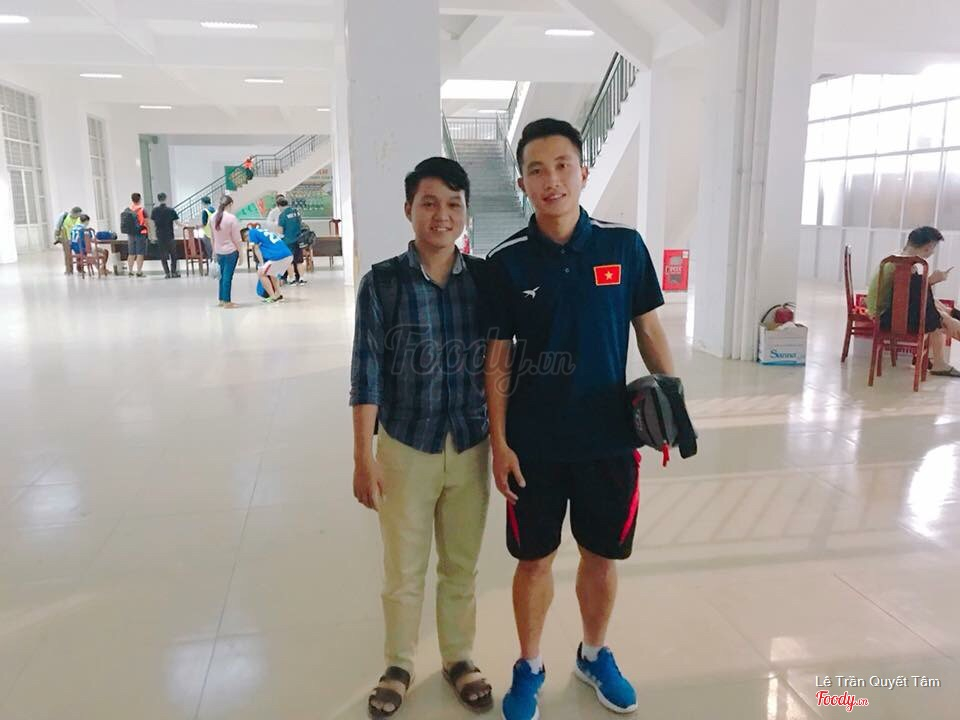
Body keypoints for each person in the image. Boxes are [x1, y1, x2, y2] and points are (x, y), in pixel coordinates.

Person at [482, 119, 675, 720]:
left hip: (608, 440)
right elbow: (497, 358)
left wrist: (672, 400)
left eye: (563, 165)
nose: (552, 180)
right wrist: (499, 442)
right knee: (533, 560)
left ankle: (594, 654)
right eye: (537, 170)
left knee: (601, 555)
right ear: (522, 182)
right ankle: (529, 665)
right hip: (533, 445)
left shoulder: (624, 246)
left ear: (583, 172)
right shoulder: (506, 261)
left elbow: (648, 327)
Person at [349, 157, 493, 719]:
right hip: (406, 446)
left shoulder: (483, 280)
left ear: (465, 212)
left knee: (461, 565)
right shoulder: (383, 283)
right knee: (403, 570)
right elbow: (366, 371)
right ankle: (399, 664)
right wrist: (363, 456)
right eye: (429, 203)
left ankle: (459, 657)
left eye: (454, 204)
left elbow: (500, 364)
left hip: (471, 444)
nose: (442, 215)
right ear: (408, 208)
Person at [867, 225, 960, 377]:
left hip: (891, 310)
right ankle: (939, 362)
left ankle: (938, 360)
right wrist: (931, 281)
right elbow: (911, 296)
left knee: (938, 315)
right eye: (933, 248)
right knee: (939, 320)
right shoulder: (904, 264)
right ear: (928, 246)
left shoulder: (900, 257)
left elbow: (912, 296)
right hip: (887, 316)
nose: (932, 252)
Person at [211, 195, 243, 308]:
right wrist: (241, 253)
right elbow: (237, 239)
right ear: (230, 204)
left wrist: (214, 251)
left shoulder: (212, 217)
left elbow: (212, 237)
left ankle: (221, 299)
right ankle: (227, 301)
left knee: (221, 276)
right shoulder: (231, 218)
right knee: (227, 277)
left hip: (218, 251)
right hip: (231, 251)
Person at [245, 225, 292, 303]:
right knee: (273, 274)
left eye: (247, 239)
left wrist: (262, 264)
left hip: (278, 256)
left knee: (261, 273)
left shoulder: (252, 232)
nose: (248, 240)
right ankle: (278, 295)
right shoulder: (264, 232)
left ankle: (272, 297)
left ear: (246, 235)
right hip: (288, 255)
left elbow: (256, 249)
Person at [277, 195, 306, 285]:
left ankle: (292, 279)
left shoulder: (282, 215)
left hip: (287, 241)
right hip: (298, 239)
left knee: (289, 261)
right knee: (299, 260)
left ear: (279, 206)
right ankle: (301, 278)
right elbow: (300, 223)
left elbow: (280, 230)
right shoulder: (296, 212)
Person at [150, 192, 180, 278]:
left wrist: (152, 235)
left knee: (163, 255)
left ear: (158, 199)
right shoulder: (171, 210)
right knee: (173, 255)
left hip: (159, 235)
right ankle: (173, 272)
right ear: (165, 198)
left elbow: (152, 224)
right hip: (169, 235)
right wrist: (185, 225)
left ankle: (167, 273)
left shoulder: (154, 211)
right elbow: (177, 223)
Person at [122, 192, 149, 277]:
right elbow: (146, 222)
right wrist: (149, 231)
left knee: (131, 253)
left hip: (130, 234)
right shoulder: (142, 210)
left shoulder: (127, 209)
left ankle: (130, 271)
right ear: (140, 199)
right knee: (140, 253)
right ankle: (139, 272)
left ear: (132, 200)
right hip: (141, 233)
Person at [56, 206, 83, 275]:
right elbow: (60, 228)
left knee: (79, 253)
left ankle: (80, 268)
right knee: (68, 255)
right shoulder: (65, 218)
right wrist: (58, 237)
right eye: (78, 215)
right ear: (73, 213)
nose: (79, 216)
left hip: (76, 239)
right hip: (66, 239)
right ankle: (69, 270)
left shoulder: (79, 219)